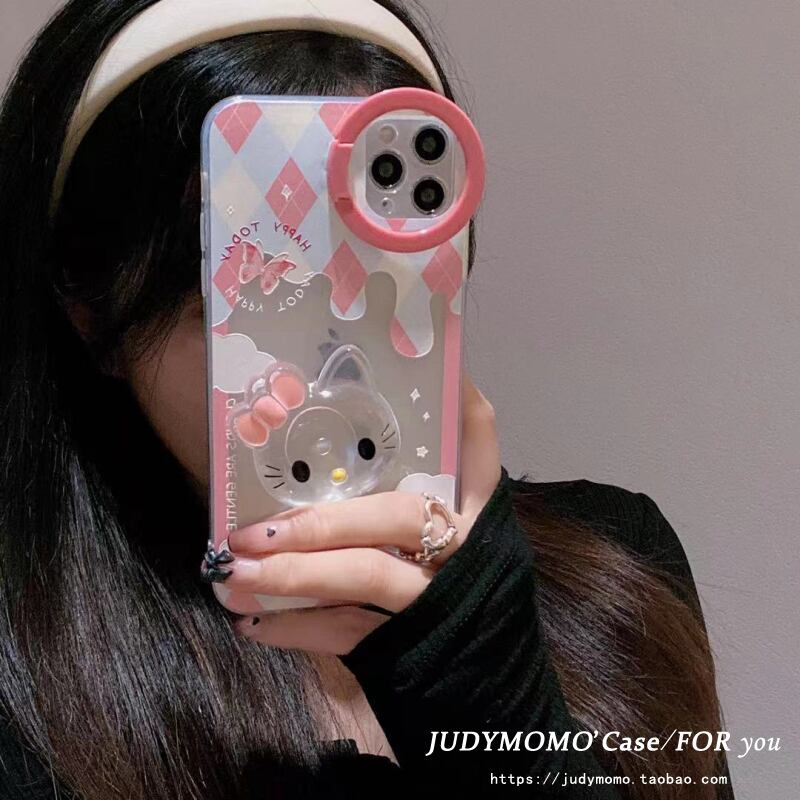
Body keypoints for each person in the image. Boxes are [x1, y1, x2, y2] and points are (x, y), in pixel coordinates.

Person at [0, 0, 734, 797]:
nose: (328, 343)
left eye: (371, 265)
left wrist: (491, 693)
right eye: (250, 293)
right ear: (92, 313)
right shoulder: (24, 690)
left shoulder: (617, 569)